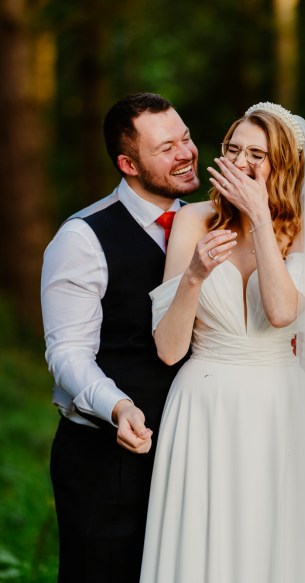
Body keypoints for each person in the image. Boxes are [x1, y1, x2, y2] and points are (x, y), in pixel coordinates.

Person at [139, 102, 305, 583]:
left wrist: (258, 215)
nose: (241, 161)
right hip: (202, 406)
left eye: (258, 153)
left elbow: (281, 312)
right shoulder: (193, 221)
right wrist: (193, 276)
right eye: (233, 149)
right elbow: (168, 350)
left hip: (280, 410)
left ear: (284, 166)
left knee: (277, 546)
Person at [40, 92, 200, 583]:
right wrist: (118, 406)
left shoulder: (204, 222)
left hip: (192, 452)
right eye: (166, 147)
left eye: (186, 137)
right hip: (107, 462)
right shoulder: (82, 238)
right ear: (128, 163)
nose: (187, 152)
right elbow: (67, 352)